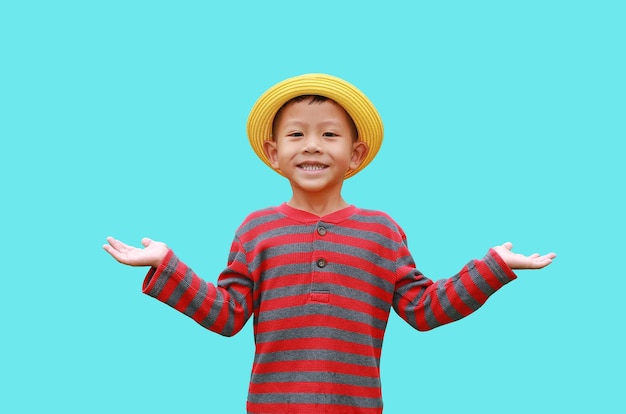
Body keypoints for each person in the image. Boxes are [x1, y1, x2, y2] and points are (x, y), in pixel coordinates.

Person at [103, 73, 556, 414]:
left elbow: (424, 308)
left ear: (355, 154)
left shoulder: (382, 231)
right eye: (297, 134)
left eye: (330, 134)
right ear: (274, 153)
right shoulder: (255, 229)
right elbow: (227, 315)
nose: (313, 146)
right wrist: (165, 263)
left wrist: (496, 265)